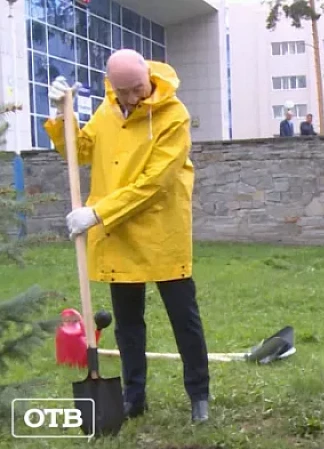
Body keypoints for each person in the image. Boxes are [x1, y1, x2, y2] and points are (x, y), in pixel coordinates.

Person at [44, 49, 211, 423]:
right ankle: (133, 396)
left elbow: (154, 183)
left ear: (148, 75)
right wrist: (61, 116)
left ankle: (199, 395)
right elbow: (81, 151)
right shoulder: (107, 110)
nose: (134, 98)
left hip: (160, 230)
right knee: (128, 323)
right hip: (118, 232)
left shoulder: (173, 115)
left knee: (184, 318)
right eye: (125, 92)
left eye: (138, 88)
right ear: (112, 87)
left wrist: (97, 212)